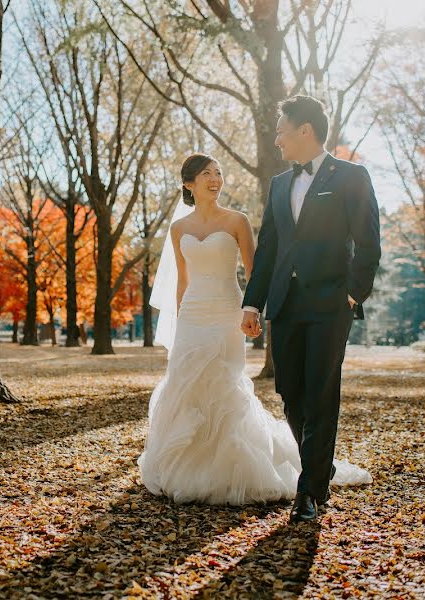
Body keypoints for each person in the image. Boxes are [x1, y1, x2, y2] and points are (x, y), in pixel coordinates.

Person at [140, 144, 373, 519]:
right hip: (193, 315)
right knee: (187, 385)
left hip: (226, 312)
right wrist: (180, 318)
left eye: (218, 173)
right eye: (207, 175)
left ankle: (233, 468)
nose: (216, 180)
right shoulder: (178, 228)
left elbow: (257, 267)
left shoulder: (236, 220)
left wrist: (253, 309)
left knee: (224, 384)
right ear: (189, 184)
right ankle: (186, 464)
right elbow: (182, 279)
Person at [240, 95, 382, 522]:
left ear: (305, 131)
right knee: (290, 392)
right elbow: (268, 248)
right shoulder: (280, 184)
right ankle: (321, 463)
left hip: (329, 304)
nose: (277, 138)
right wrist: (253, 301)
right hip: (285, 303)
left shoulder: (352, 177)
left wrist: (354, 294)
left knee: (321, 393)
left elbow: (369, 241)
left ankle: (310, 492)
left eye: (282, 129)